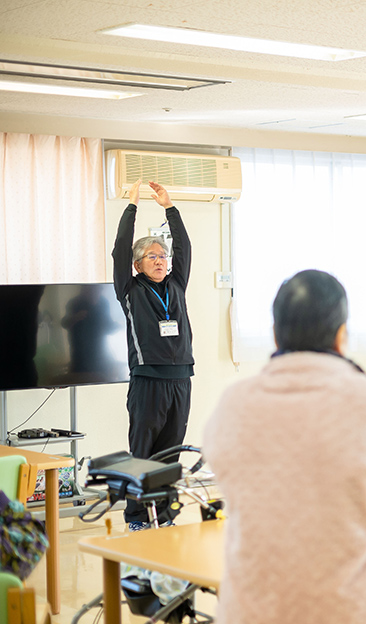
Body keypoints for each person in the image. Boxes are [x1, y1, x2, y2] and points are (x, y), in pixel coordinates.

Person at [203, 270, 366, 624]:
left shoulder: (232, 406)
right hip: (351, 611)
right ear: (342, 335)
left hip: (253, 610)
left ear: (274, 333)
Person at [112, 180, 194, 531]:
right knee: (143, 453)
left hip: (180, 379)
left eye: (163, 256)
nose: (160, 261)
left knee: (170, 454)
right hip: (147, 379)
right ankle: (136, 518)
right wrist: (132, 206)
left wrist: (169, 207)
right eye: (152, 256)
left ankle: (165, 515)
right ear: (137, 265)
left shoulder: (176, 285)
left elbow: (185, 247)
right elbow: (118, 250)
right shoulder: (130, 289)